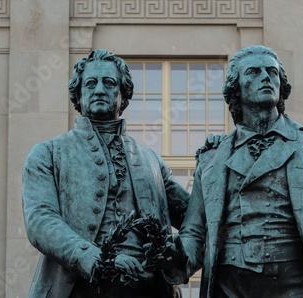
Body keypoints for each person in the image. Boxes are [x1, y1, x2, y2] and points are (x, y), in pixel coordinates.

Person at [176, 45, 303, 298]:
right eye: (254, 71)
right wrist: (172, 258)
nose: (265, 77)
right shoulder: (211, 159)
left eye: (272, 72)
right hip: (230, 288)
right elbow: (194, 233)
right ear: (235, 88)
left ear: (281, 86)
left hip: (297, 286)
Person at [22, 49, 190, 298]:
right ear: (78, 93)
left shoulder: (152, 161)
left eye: (109, 83)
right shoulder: (48, 153)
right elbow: (40, 221)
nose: (99, 89)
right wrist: (91, 256)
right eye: (91, 83)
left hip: (148, 289)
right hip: (78, 287)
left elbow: (194, 216)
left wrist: (214, 164)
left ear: (123, 94)